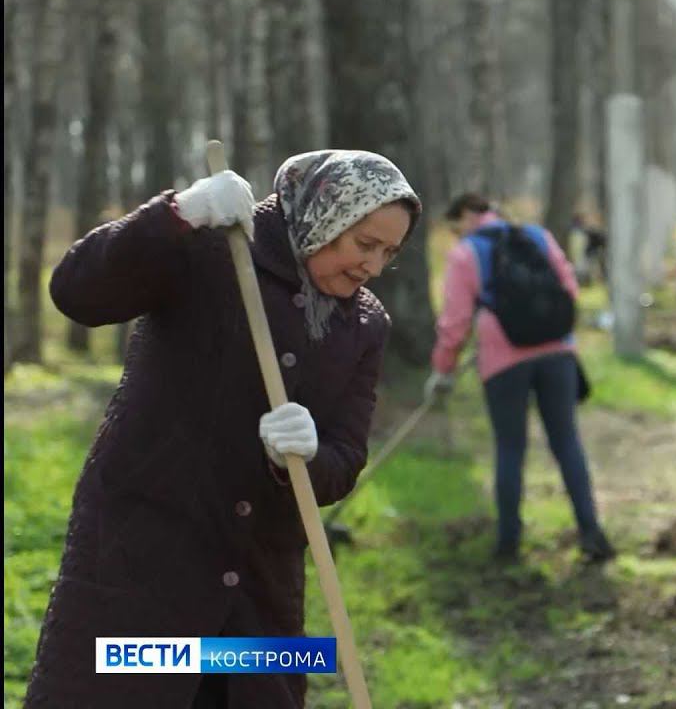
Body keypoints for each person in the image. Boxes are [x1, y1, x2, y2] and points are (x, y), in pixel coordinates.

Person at [29, 150, 422, 708]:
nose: (374, 266)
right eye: (365, 243)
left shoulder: (364, 323)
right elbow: (76, 291)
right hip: (146, 574)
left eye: (390, 252)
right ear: (324, 215)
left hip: (259, 596)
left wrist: (307, 455)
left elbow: (343, 461)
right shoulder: (213, 254)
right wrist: (176, 215)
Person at [426, 192, 615, 564]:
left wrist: (443, 370)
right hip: (557, 350)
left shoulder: (466, 254)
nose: (455, 233)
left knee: (511, 447)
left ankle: (509, 542)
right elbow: (569, 289)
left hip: (503, 359)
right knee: (567, 441)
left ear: (466, 216)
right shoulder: (538, 236)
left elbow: (454, 323)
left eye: (455, 225)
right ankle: (591, 532)